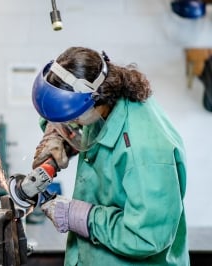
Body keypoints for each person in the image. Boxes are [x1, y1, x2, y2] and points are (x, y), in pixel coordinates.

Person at [31, 46, 189, 265]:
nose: (71, 123)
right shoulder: (104, 97)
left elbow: (146, 237)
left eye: (72, 117)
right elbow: (74, 117)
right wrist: (54, 134)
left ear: (95, 98)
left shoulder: (145, 152)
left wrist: (83, 217)